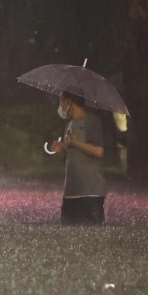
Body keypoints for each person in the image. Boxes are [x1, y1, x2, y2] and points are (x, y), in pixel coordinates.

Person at [48, 89, 107, 225]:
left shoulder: (92, 122)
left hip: (91, 191)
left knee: (91, 236)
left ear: (69, 102)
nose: (60, 107)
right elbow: (69, 156)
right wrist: (61, 149)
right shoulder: (68, 125)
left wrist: (75, 143)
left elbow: (99, 151)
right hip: (71, 191)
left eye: (61, 102)